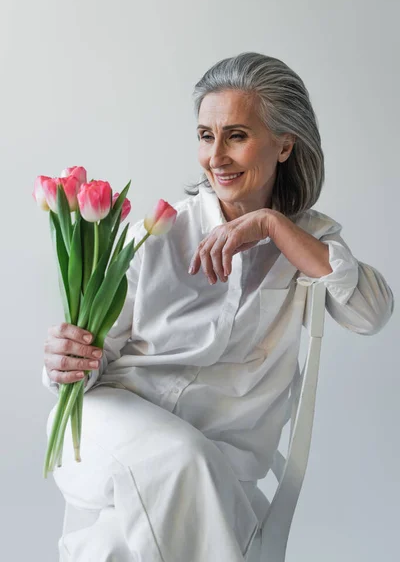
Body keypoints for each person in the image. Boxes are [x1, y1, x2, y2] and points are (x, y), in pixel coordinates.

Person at [43, 52, 394, 562]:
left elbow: (371, 314)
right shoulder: (159, 235)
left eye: (236, 135)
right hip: (104, 429)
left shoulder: (306, 240)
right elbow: (89, 364)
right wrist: (65, 359)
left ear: (284, 145)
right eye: (206, 136)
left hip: (214, 463)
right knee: (186, 460)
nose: (216, 156)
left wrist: (274, 227)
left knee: (111, 547)